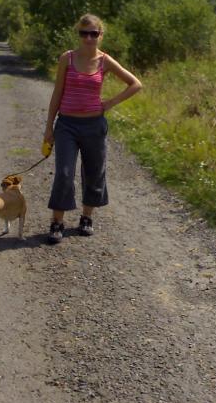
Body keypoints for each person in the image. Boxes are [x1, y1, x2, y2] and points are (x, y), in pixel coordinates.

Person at [43, 13, 142, 243]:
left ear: (100, 35)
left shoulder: (105, 61)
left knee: (94, 172)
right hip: (66, 125)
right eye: (83, 33)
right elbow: (57, 93)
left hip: (94, 126)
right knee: (64, 173)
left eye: (93, 34)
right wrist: (49, 128)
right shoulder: (67, 58)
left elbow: (135, 84)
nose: (88, 38)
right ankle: (57, 222)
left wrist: (109, 103)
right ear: (78, 34)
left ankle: (86, 218)